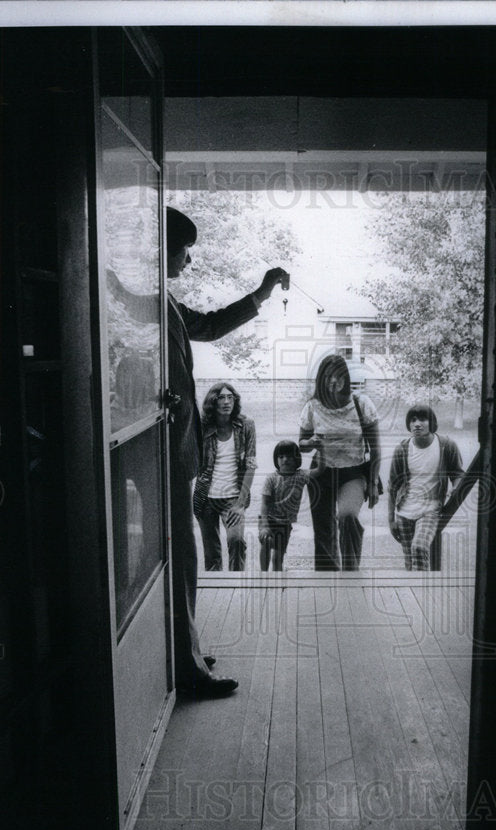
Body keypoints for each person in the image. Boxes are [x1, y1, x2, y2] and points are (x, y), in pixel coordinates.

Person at [107, 206, 288, 697]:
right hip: (151, 445)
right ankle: (185, 668)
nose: (188, 260)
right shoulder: (120, 298)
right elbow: (123, 368)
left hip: (169, 447)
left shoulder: (156, 301)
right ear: (160, 248)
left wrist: (261, 293)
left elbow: (206, 325)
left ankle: (178, 646)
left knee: (172, 551)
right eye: (184, 249)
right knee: (176, 554)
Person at [298, 354, 381, 571]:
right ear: (321, 380)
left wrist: (372, 483)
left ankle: (350, 574)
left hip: (353, 472)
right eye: (328, 377)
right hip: (320, 473)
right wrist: (311, 441)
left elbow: (376, 449)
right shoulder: (312, 407)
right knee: (323, 531)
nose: (334, 382)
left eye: (338, 377)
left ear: (345, 379)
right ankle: (326, 581)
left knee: (347, 516)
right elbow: (302, 444)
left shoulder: (361, 404)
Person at [387, 404, 464, 571]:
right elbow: (393, 486)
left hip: (431, 510)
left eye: (422, 419)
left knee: (419, 548)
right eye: (413, 420)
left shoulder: (446, 445)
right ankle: (415, 595)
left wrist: (455, 487)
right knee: (409, 563)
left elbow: (458, 473)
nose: (417, 424)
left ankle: (423, 595)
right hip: (404, 513)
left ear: (432, 422)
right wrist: (391, 519)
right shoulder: (402, 449)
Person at [193, 382, 256, 572]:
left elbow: (251, 466)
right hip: (206, 498)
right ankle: (215, 594)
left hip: (233, 498)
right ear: (213, 401)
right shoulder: (203, 428)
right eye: (221, 397)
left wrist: (239, 504)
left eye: (231, 397)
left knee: (236, 542)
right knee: (212, 554)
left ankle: (236, 588)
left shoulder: (246, 425)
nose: (227, 402)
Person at [258, 439, 325, 571]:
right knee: (266, 545)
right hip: (269, 519)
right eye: (281, 456)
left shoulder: (301, 475)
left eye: (289, 456)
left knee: (278, 555)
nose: (285, 460)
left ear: (296, 459)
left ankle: (277, 578)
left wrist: (321, 451)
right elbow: (265, 504)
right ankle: (263, 574)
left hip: (285, 523)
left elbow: (320, 470)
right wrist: (264, 525)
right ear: (276, 460)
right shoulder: (271, 478)